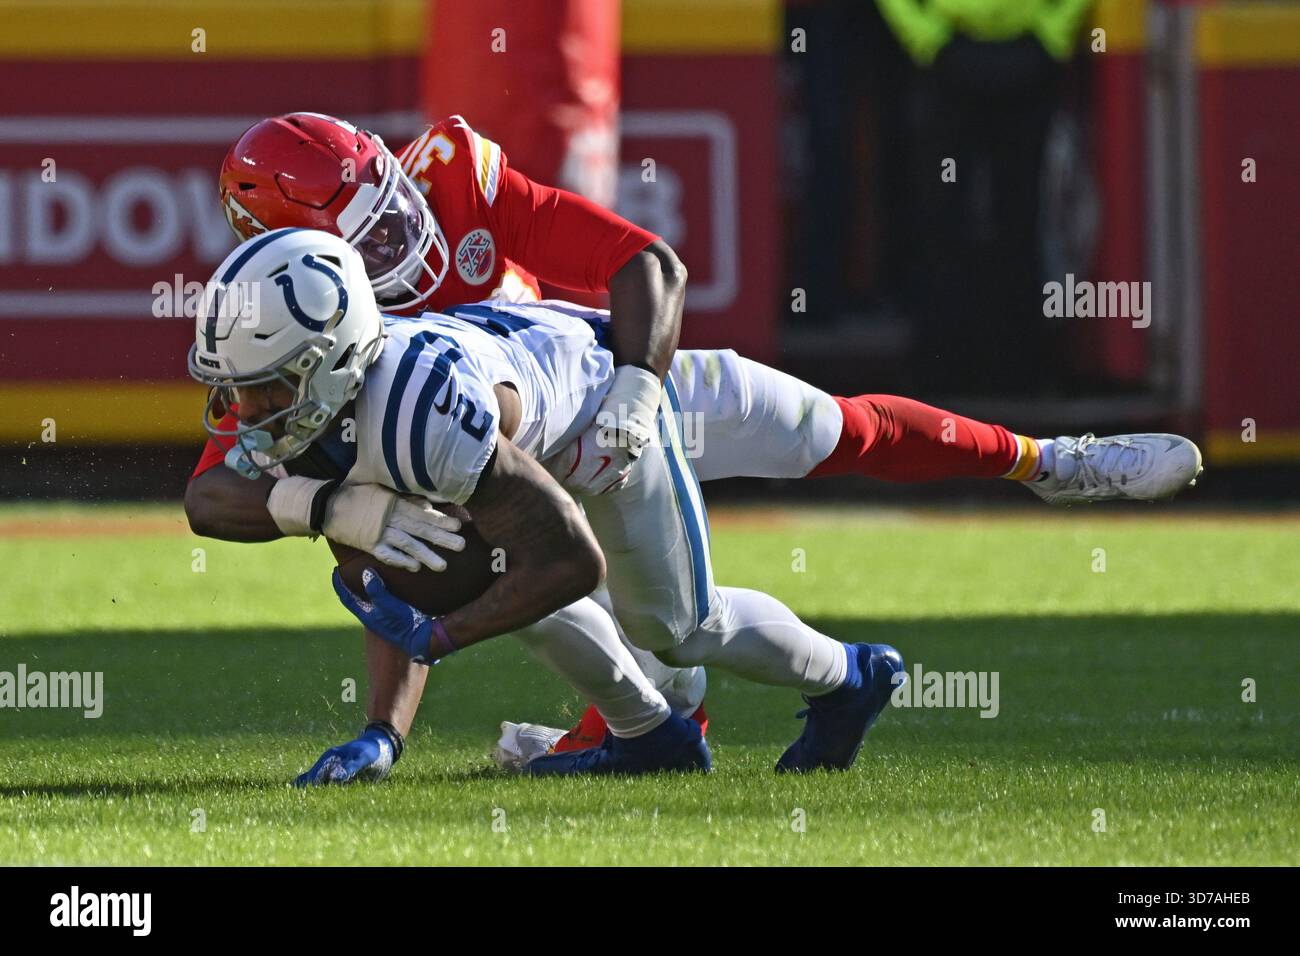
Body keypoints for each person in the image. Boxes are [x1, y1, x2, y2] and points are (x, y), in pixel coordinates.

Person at [187, 112, 1202, 782]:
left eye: (390, 215)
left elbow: (642, 261)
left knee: (828, 429)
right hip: (519, 455)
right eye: (361, 244)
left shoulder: (453, 189)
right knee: (462, 550)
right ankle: (651, 727)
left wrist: (637, 381)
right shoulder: (291, 335)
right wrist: (332, 517)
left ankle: (1052, 460)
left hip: (606, 386)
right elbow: (234, 494)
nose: (397, 245)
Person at [190, 228, 910, 775]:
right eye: (239, 388)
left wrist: (445, 635)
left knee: (676, 627)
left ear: (335, 360)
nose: (248, 412)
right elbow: (212, 503)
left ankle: (849, 676)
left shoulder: (418, 415)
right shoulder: (334, 413)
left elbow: (569, 559)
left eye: (270, 388)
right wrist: (382, 734)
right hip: (506, 442)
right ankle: (650, 738)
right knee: (478, 566)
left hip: (597, 424)